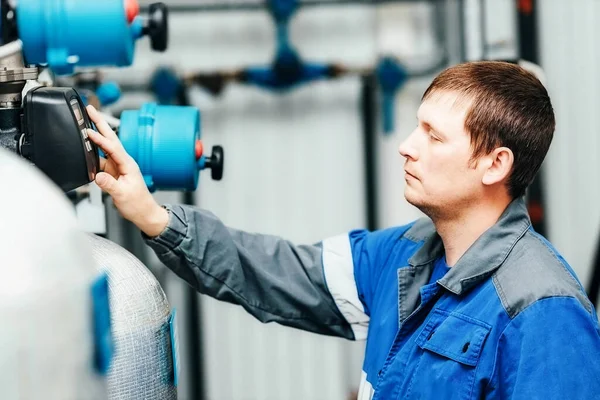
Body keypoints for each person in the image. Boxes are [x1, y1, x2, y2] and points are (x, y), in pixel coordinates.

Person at [85, 61, 600, 399]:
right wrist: (152, 216)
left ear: (494, 164)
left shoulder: (542, 311)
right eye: (415, 126)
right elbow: (279, 271)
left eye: (433, 136)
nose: (406, 145)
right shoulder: (401, 257)